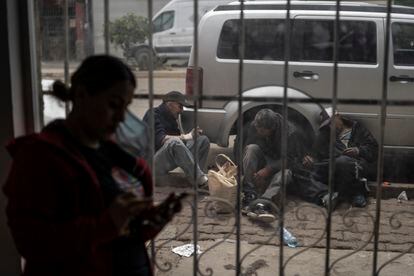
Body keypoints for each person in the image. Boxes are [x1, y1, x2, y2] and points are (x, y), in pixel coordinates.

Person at [3, 55, 183, 276]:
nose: (120, 117)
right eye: (113, 104)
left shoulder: (116, 155)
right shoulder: (39, 158)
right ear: (81, 95)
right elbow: (32, 243)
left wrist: (150, 222)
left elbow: (122, 236)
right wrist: (108, 223)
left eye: (124, 107)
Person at [302, 107, 378, 208]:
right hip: (334, 167)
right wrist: (309, 159)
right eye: (328, 125)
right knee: (304, 173)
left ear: (338, 116)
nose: (331, 127)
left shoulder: (357, 128)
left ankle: (356, 193)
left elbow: (374, 149)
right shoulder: (325, 133)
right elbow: (315, 154)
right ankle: (328, 196)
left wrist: (359, 151)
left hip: (356, 166)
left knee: (344, 162)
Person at [240, 109, 307, 222]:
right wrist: (255, 172)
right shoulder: (255, 125)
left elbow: (291, 160)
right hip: (264, 160)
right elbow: (246, 148)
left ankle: (263, 203)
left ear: (272, 128)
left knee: (285, 174)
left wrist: (268, 170)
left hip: (280, 167)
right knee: (251, 149)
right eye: (257, 129)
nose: (258, 132)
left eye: (262, 131)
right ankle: (249, 194)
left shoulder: (290, 132)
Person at [143, 91, 210, 189]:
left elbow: (180, 147)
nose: (182, 110)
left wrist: (193, 136)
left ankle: (195, 178)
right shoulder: (152, 114)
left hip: (164, 161)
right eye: (180, 106)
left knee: (203, 140)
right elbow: (162, 139)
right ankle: (201, 181)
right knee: (174, 142)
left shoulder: (172, 119)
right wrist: (188, 136)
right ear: (170, 104)